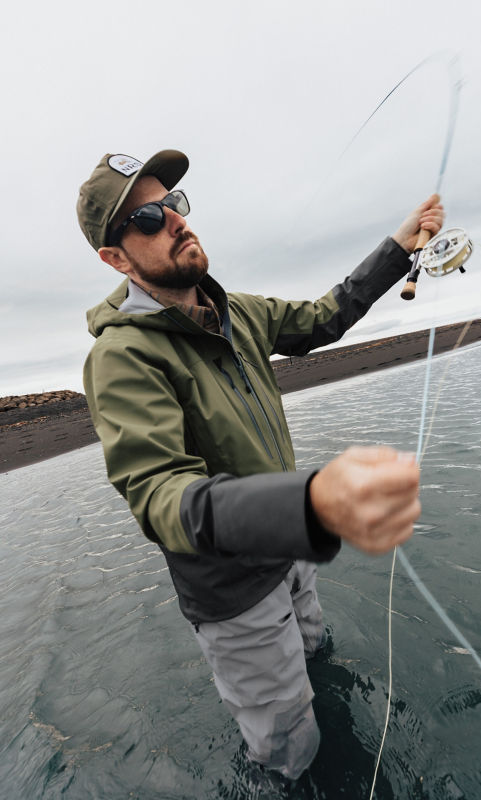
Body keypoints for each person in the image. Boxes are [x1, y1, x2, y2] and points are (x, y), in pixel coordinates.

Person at [77, 149, 444, 782]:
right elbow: (161, 496)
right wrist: (307, 505)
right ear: (115, 258)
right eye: (145, 218)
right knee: (287, 749)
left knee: (314, 656)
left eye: (174, 205)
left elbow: (327, 314)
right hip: (232, 593)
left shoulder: (238, 310)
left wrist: (398, 246)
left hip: (294, 553)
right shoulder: (120, 358)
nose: (173, 220)